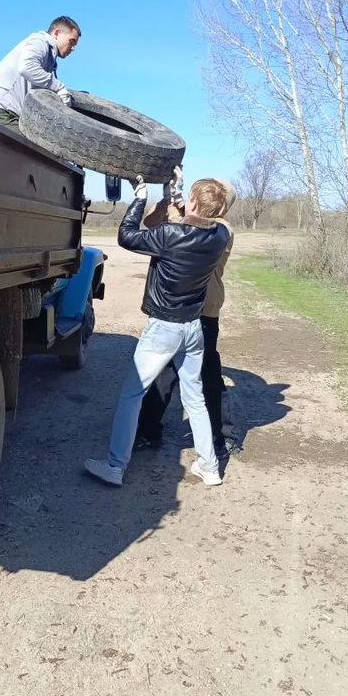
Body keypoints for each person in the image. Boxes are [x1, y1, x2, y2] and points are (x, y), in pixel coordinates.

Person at [85, 177, 231, 488]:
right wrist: (174, 196)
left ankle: (115, 465)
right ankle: (210, 467)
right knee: (195, 400)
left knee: (130, 396)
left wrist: (141, 198)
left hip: (164, 327)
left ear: (193, 203)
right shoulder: (218, 235)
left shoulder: (168, 235)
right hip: (193, 329)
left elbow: (127, 236)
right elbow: (196, 218)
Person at [134, 172, 239, 458]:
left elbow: (181, 233)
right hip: (175, 310)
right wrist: (169, 198)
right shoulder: (190, 220)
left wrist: (178, 208)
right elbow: (152, 226)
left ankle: (222, 436)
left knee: (208, 376)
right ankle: (147, 431)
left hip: (203, 311)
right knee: (162, 375)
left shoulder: (222, 231)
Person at [0, 17, 81, 134]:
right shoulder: (40, 42)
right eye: (71, 41)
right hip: (3, 108)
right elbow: (27, 67)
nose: (73, 48)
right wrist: (59, 87)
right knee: (23, 149)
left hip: (13, 111)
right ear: (56, 33)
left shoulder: (50, 56)